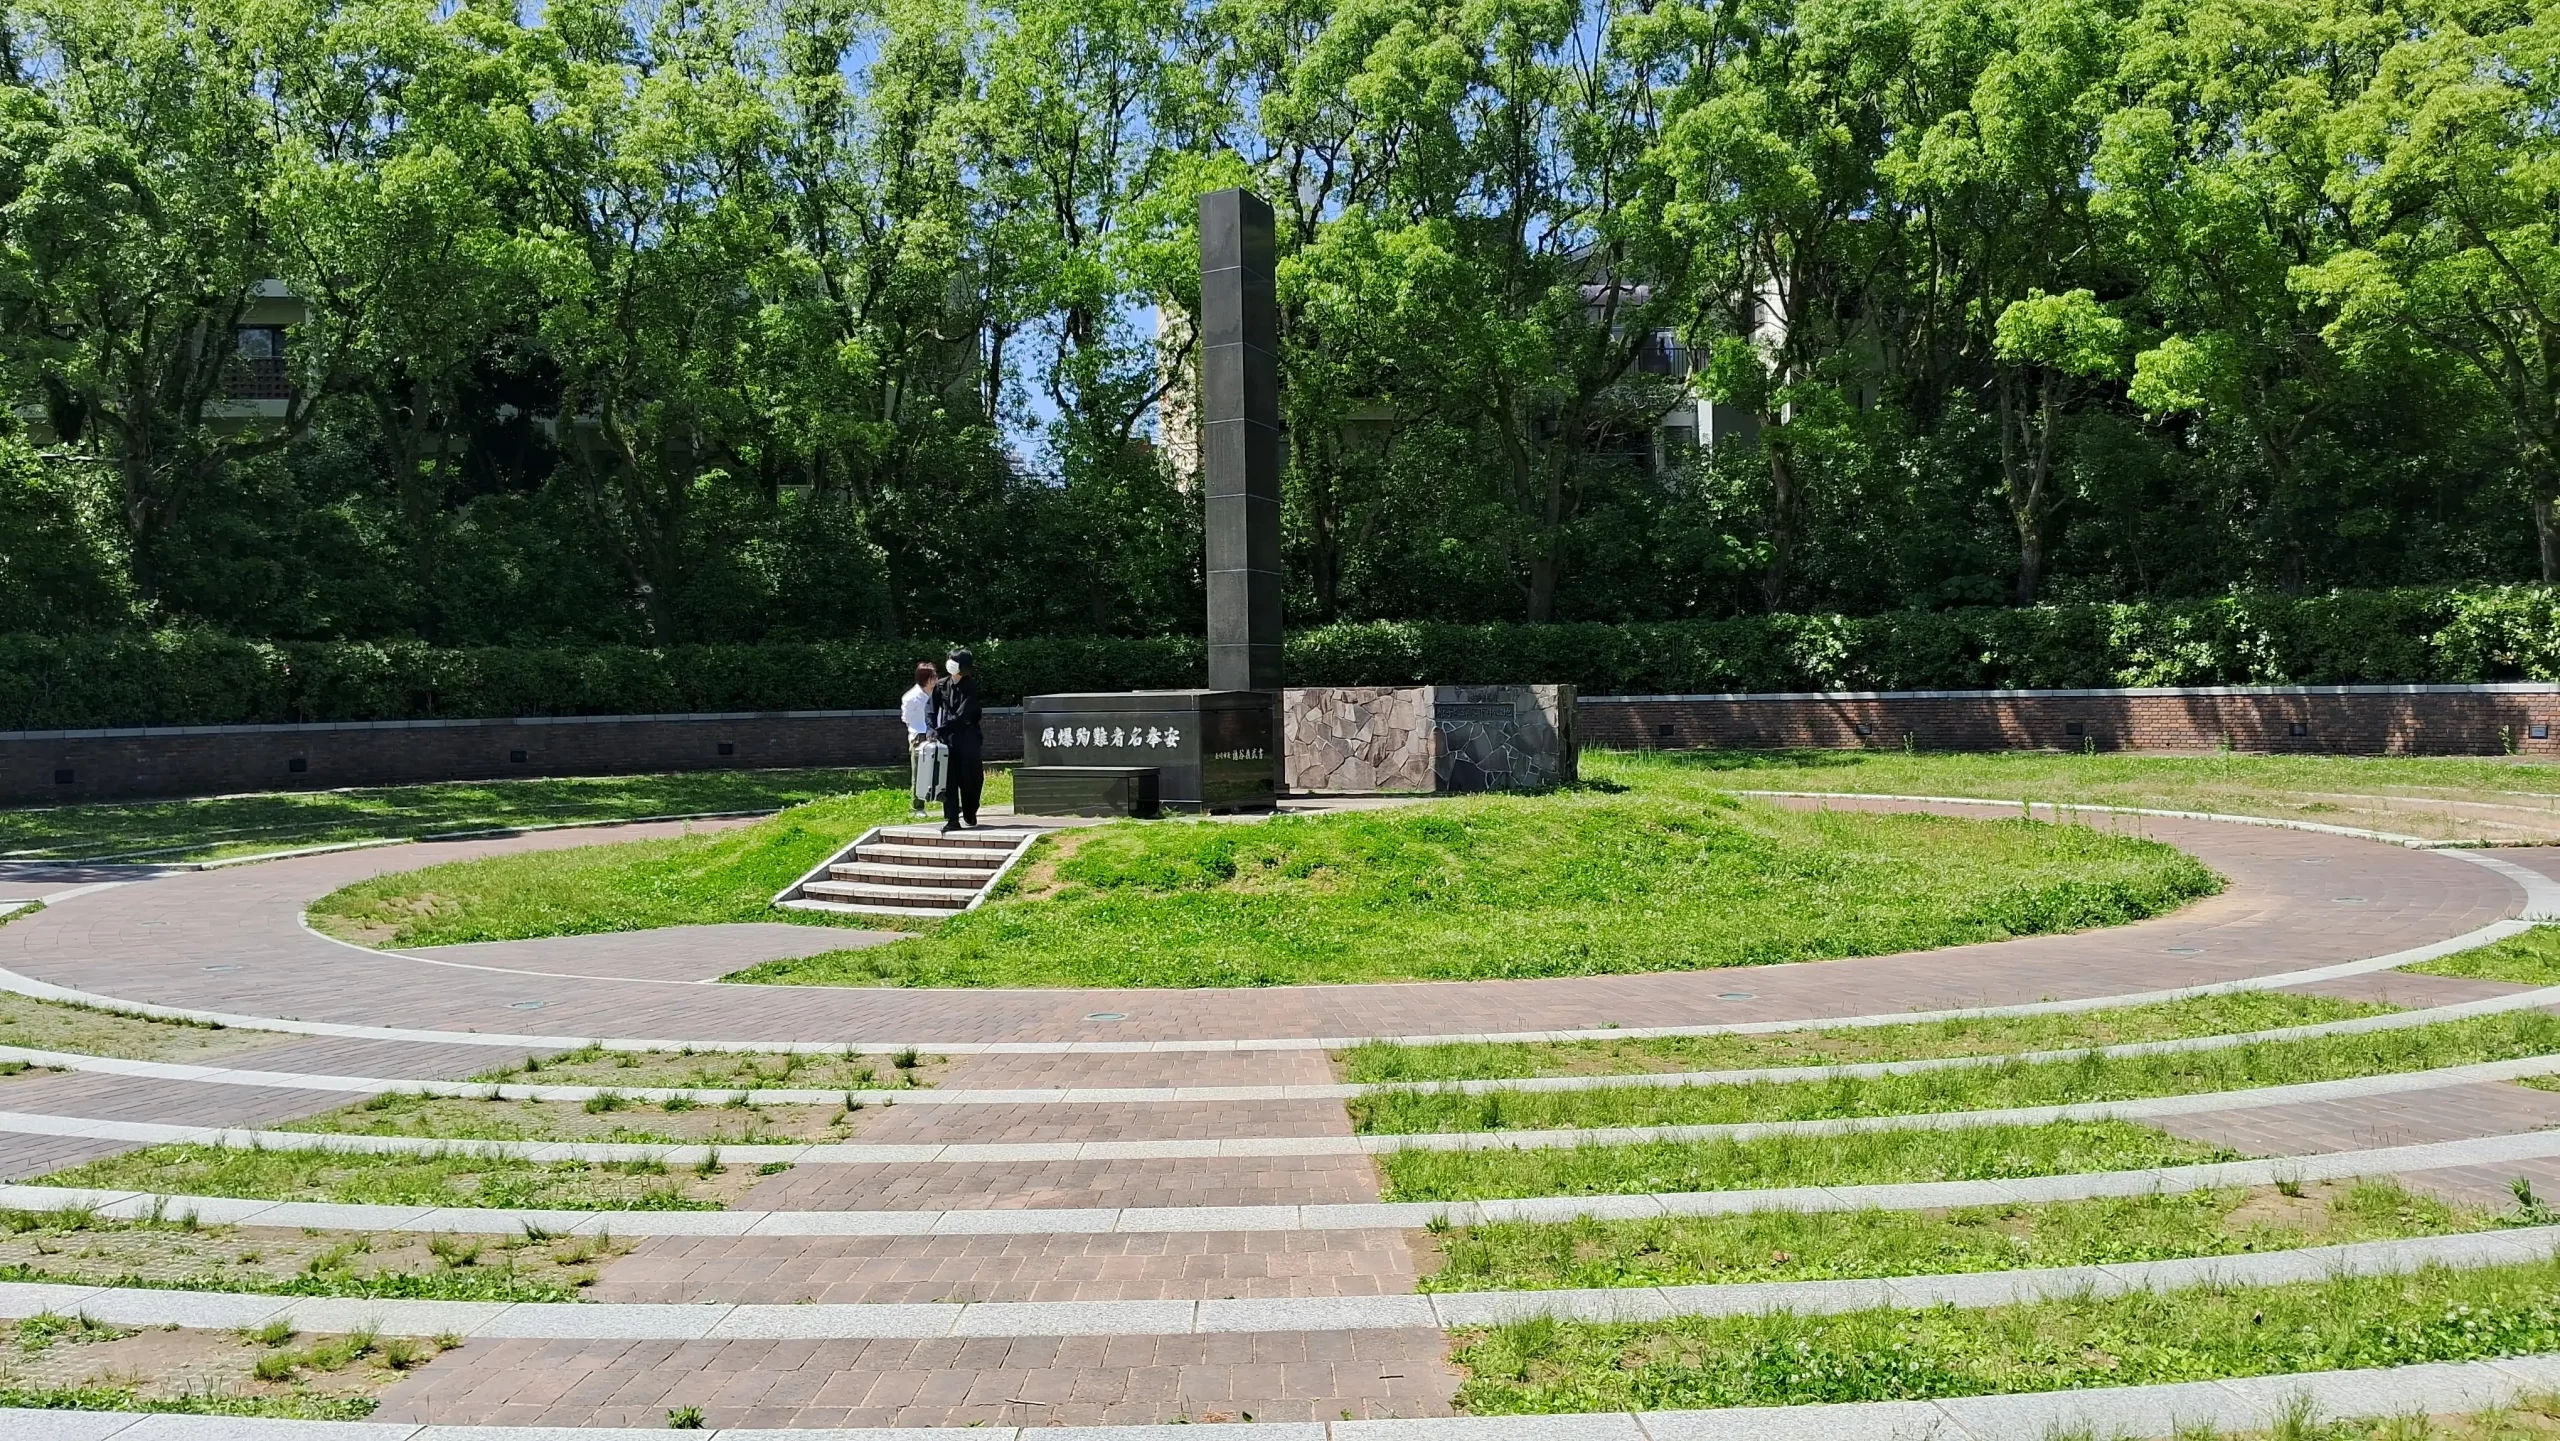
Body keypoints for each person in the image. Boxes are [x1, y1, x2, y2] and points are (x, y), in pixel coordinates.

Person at [930, 647, 985, 830]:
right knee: (948, 780)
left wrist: (941, 728)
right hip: (947, 739)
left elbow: (963, 714)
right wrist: (931, 727)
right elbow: (931, 708)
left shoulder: (970, 687)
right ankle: (952, 818)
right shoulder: (941, 685)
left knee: (970, 778)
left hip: (967, 737)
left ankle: (970, 811)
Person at [899, 663, 936, 752]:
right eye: (933, 677)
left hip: (935, 735)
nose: (937, 680)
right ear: (925, 679)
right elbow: (906, 719)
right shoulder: (911, 697)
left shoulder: (937, 694)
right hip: (919, 736)